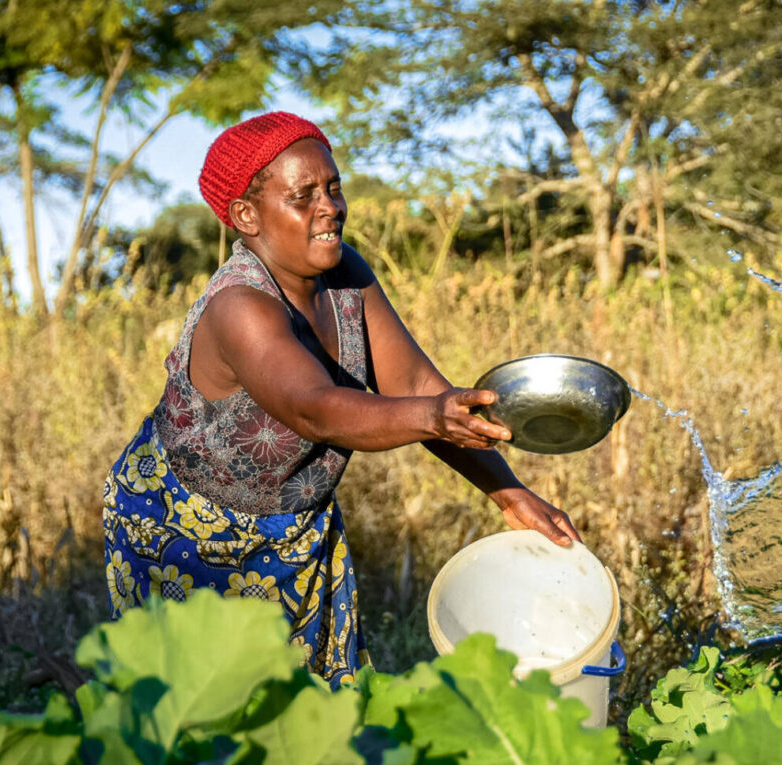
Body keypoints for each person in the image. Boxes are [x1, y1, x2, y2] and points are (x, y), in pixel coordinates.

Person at [103, 112, 579, 687]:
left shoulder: (346, 275)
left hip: (297, 527)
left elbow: (416, 386)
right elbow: (315, 409)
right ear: (246, 216)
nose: (329, 207)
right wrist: (432, 418)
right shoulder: (239, 307)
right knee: (203, 720)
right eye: (302, 196)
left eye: (332, 187)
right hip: (184, 535)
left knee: (322, 713)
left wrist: (509, 493)